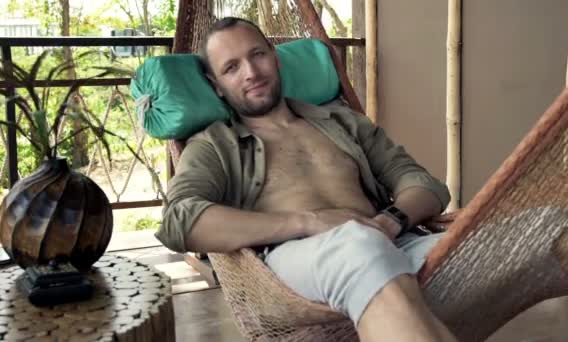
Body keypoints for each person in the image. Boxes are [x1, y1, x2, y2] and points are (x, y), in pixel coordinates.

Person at [158, 16, 458, 342]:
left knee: (497, 236)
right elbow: (180, 220)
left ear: (275, 56)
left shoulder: (343, 121)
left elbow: (422, 183)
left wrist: (390, 222)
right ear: (216, 84)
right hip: (293, 263)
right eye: (231, 68)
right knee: (360, 245)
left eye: (257, 55)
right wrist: (307, 222)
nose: (251, 73)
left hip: (389, 239)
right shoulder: (213, 145)